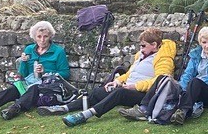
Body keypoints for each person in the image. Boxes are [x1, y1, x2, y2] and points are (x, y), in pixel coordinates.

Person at [42, 28, 176, 127]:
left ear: (154, 45)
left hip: (144, 94)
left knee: (120, 93)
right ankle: (64, 108)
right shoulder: (141, 56)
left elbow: (161, 81)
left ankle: (85, 115)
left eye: (143, 45)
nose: (140, 49)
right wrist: (117, 81)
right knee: (98, 92)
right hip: (128, 88)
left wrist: (134, 86)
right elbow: (130, 74)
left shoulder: (164, 59)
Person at [119, 26, 208, 125]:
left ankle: (182, 112)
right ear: (200, 42)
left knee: (195, 81)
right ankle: (143, 108)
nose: (207, 46)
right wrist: (181, 88)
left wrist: (189, 88)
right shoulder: (196, 54)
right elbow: (188, 74)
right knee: (162, 78)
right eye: (204, 42)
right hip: (192, 90)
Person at [0, 21, 71, 121]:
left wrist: (46, 73)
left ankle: (14, 108)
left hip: (47, 85)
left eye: (45, 36)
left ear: (50, 36)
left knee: (35, 88)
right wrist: (24, 62)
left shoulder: (58, 51)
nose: (42, 40)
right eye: (39, 36)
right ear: (34, 37)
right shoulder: (29, 49)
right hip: (29, 82)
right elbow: (23, 74)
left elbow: (65, 73)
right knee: (12, 89)